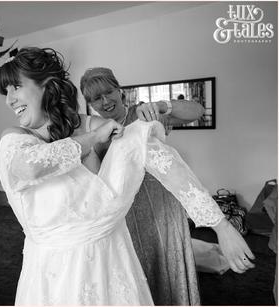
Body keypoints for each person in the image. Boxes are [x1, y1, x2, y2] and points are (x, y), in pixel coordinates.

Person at [0, 47, 254, 305]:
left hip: (124, 245)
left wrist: (221, 226)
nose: (9, 100)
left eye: (15, 87)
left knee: (167, 274)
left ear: (47, 86)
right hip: (51, 274)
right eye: (96, 98)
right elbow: (25, 169)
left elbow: (166, 160)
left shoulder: (127, 123)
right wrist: (95, 138)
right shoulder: (16, 138)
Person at [80, 67, 253, 305]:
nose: (105, 101)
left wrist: (162, 107)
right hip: (125, 215)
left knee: (169, 265)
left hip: (163, 207)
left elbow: (198, 111)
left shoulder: (143, 115)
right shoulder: (95, 133)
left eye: (108, 92)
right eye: (95, 98)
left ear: (119, 90)